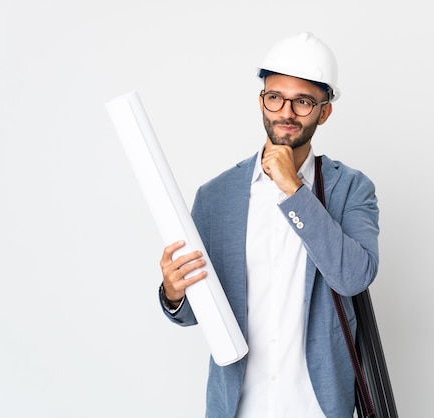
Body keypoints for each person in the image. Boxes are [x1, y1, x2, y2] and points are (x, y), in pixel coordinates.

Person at [158, 32, 380, 418]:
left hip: (319, 406)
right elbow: (198, 313)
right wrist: (174, 293)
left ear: (324, 111)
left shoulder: (352, 189)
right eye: (275, 97)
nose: (286, 113)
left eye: (303, 102)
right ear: (261, 101)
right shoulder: (215, 196)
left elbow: (353, 277)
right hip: (238, 407)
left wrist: (293, 189)